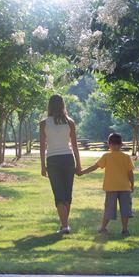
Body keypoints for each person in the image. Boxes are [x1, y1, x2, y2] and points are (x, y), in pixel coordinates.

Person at [40, 94, 82, 234]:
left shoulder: (44, 123)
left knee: (58, 193)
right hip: (68, 159)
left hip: (52, 160)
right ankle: (64, 224)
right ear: (63, 105)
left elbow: (42, 146)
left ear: (49, 106)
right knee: (67, 193)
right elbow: (75, 146)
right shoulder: (70, 122)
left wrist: (42, 166)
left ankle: (64, 226)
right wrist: (78, 164)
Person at [78, 133, 134, 237]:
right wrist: (132, 184)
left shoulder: (107, 156)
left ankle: (103, 227)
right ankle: (125, 229)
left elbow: (95, 166)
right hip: (125, 187)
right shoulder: (126, 157)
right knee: (125, 209)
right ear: (121, 144)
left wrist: (82, 172)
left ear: (109, 144)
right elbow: (130, 172)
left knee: (109, 209)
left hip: (111, 187)